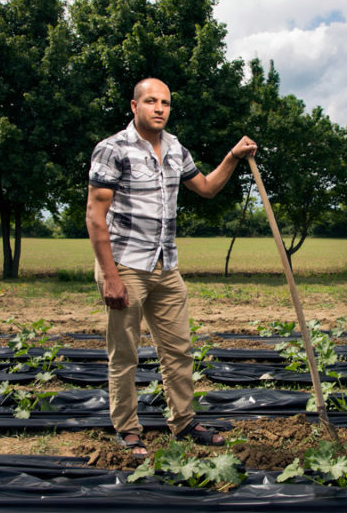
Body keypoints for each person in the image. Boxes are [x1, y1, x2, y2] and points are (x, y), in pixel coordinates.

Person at [85, 77, 257, 458]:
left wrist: (232, 156)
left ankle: (183, 422)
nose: (159, 108)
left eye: (164, 102)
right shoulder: (112, 149)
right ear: (134, 107)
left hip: (166, 265)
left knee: (179, 351)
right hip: (125, 265)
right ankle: (127, 429)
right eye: (150, 101)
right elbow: (95, 215)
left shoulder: (176, 148)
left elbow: (207, 188)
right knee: (125, 354)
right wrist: (110, 276)